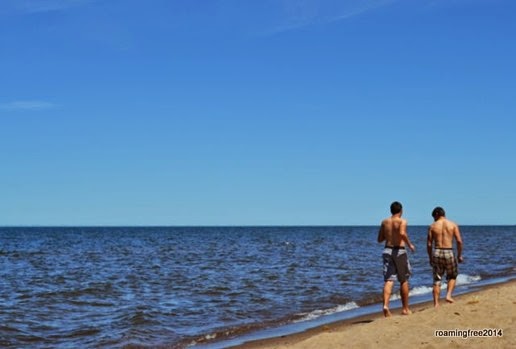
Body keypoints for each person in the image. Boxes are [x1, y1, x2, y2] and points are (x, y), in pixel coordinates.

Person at [377, 201, 416, 317]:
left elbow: (379, 239)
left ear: (391, 211)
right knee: (403, 280)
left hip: (387, 250)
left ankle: (385, 306)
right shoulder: (402, 221)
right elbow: (402, 232)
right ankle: (405, 309)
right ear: (401, 211)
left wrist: (389, 235)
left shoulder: (384, 222)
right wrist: (410, 245)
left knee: (389, 280)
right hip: (399, 250)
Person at [427, 206, 463, 307]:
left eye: (434, 217)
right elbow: (459, 241)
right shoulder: (453, 224)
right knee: (452, 275)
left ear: (437, 214)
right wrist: (459, 255)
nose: (433, 219)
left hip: (437, 251)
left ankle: (436, 304)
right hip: (449, 251)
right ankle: (448, 295)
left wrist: (430, 257)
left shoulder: (432, 226)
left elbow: (429, 244)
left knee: (437, 279)